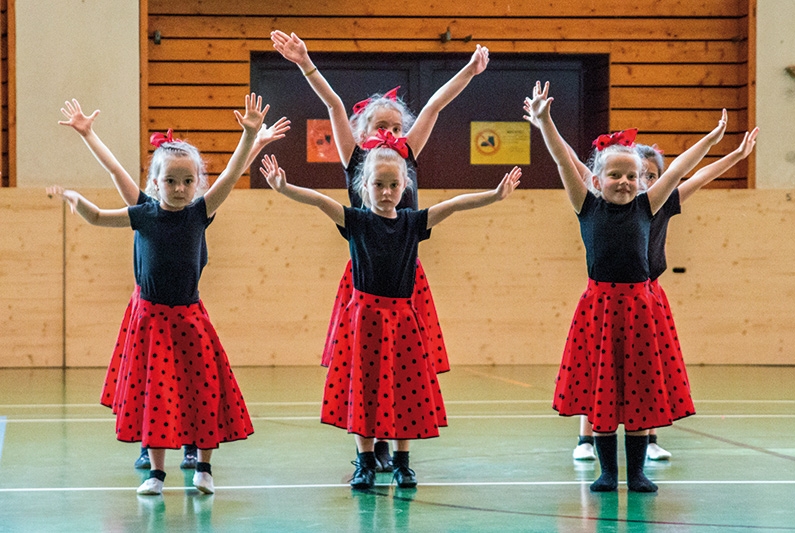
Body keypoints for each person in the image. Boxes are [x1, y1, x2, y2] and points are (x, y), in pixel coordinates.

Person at [271, 29, 489, 471]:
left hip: (407, 279)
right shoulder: (354, 160)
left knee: (403, 366)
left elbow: (434, 106)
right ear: (361, 132)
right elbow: (333, 104)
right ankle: (370, 450)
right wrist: (304, 63)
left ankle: (394, 443)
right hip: (366, 281)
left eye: (394, 127)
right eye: (379, 127)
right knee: (368, 368)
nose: (388, 133)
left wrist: (468, 70)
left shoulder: (406, 156)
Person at [259, 136, 520, 490]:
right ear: (364, 186)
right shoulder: (356, 221)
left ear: (404, 186)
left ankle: (402, 464)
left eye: (394, 185)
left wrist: (495, 195)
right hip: (363, 319)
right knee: (363, 391)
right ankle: (364, 462)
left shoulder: (413, 223)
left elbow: (455, 205)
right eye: (378, 185)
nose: (386, 192)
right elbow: (319, 201)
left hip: (402, 321)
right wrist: (285, 187)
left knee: (404, 390)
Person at [48, 93, 271, 496]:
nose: (180, 188)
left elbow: (233, 174)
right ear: (155, 183)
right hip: (150, 321)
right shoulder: (144, 212)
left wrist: (248, 136)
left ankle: (204, 466)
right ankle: (156, 473)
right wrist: (85, 161)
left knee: (201, 388)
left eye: (188, 181)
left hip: (189, 317)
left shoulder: (200, 212)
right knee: (156, 393)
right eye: (170, 180)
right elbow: (105, 199)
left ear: (197, 183)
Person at [525, 80, 727, 492]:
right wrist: (546, 123)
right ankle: (608, 472)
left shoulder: (648, 206)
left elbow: (676, 171)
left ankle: (636, 473)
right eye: (614, 174)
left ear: (640, 180)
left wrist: (710, 139)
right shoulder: (587, 205)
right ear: (597, 180)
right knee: (602, 390)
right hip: (599, 308)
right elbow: (565, 163)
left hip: (640, 310)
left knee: (639, 389)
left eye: (631, 175)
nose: (623, 181)